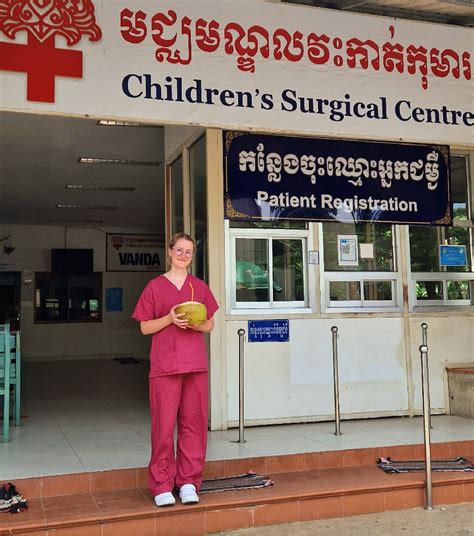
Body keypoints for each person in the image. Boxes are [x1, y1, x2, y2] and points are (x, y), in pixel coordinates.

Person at [132, 232, 218, 507]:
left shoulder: (199, 287)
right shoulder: (155, 287)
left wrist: (197, 323)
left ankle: (189, 482)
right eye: (179, 250)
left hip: (194, 364)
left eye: (188, 251)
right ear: (169, 252)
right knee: (164, 425)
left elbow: (210, 324)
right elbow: (145, 327)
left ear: (192, 256)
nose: (183, 255)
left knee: (194, 424)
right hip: (165, 365)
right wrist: (169, 318)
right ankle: (161, 484)